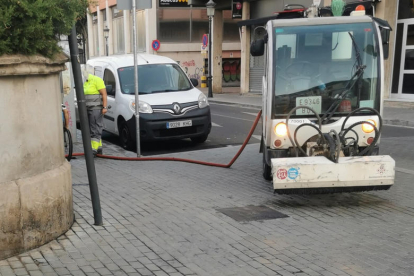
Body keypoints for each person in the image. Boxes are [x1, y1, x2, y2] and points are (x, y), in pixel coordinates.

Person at [82, 64, 108, 156]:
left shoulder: (97, 80)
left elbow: (104, 94)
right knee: (93, 128)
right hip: (88, 108)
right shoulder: (86, 82)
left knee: (95, 129)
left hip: (96, 108)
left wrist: (105, 107)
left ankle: (93, 150)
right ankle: (99, 148)